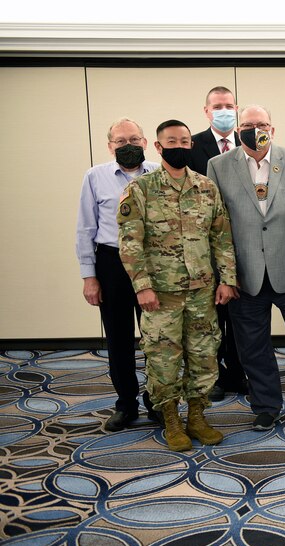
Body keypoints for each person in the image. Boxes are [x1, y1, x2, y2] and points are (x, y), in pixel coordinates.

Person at [206, 105, 285, 432]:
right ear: (238, 130)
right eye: (248, 124)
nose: (254, 129)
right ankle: (266, 406)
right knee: (253, 348)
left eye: (261, 124)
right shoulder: (218, 166)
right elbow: (215, 226)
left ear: (272, 129)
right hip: (244, 276)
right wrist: (226, 276)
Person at [118, 119, 237, 451]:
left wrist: (227, 279)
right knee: (163, 359)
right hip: (161, 294)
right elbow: (130, 244)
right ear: (157, 147)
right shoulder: (140, 189)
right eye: (172, 141)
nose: (180, 146)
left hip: (202, 291)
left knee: (204, 356)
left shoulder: (206, 187)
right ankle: (171, 419)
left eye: (185, 141)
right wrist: (142, 287)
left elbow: (222, 238)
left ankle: (197, 417)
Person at [76, 117, 160, 432]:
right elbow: (85, 228)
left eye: (134, 139)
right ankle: (126, 404)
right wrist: (89, 276)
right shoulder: (94, 177)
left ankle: (157, 403)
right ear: (110, 146)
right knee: (119, 339)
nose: (128, 146)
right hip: (111, 265)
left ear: (146, 141)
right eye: (121, 141)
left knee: (157, 339)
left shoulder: (159, 173)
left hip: (154, 265)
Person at [188, 85, 246, 402]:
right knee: (213, 317)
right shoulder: (193, 145)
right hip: (207, 246)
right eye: (217, 106)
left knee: (242, 315)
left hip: (246, 244)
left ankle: (239, 372)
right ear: (206, 110)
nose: (224, 111)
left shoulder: (250, 142)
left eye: (229, 105)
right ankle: (217, 376)